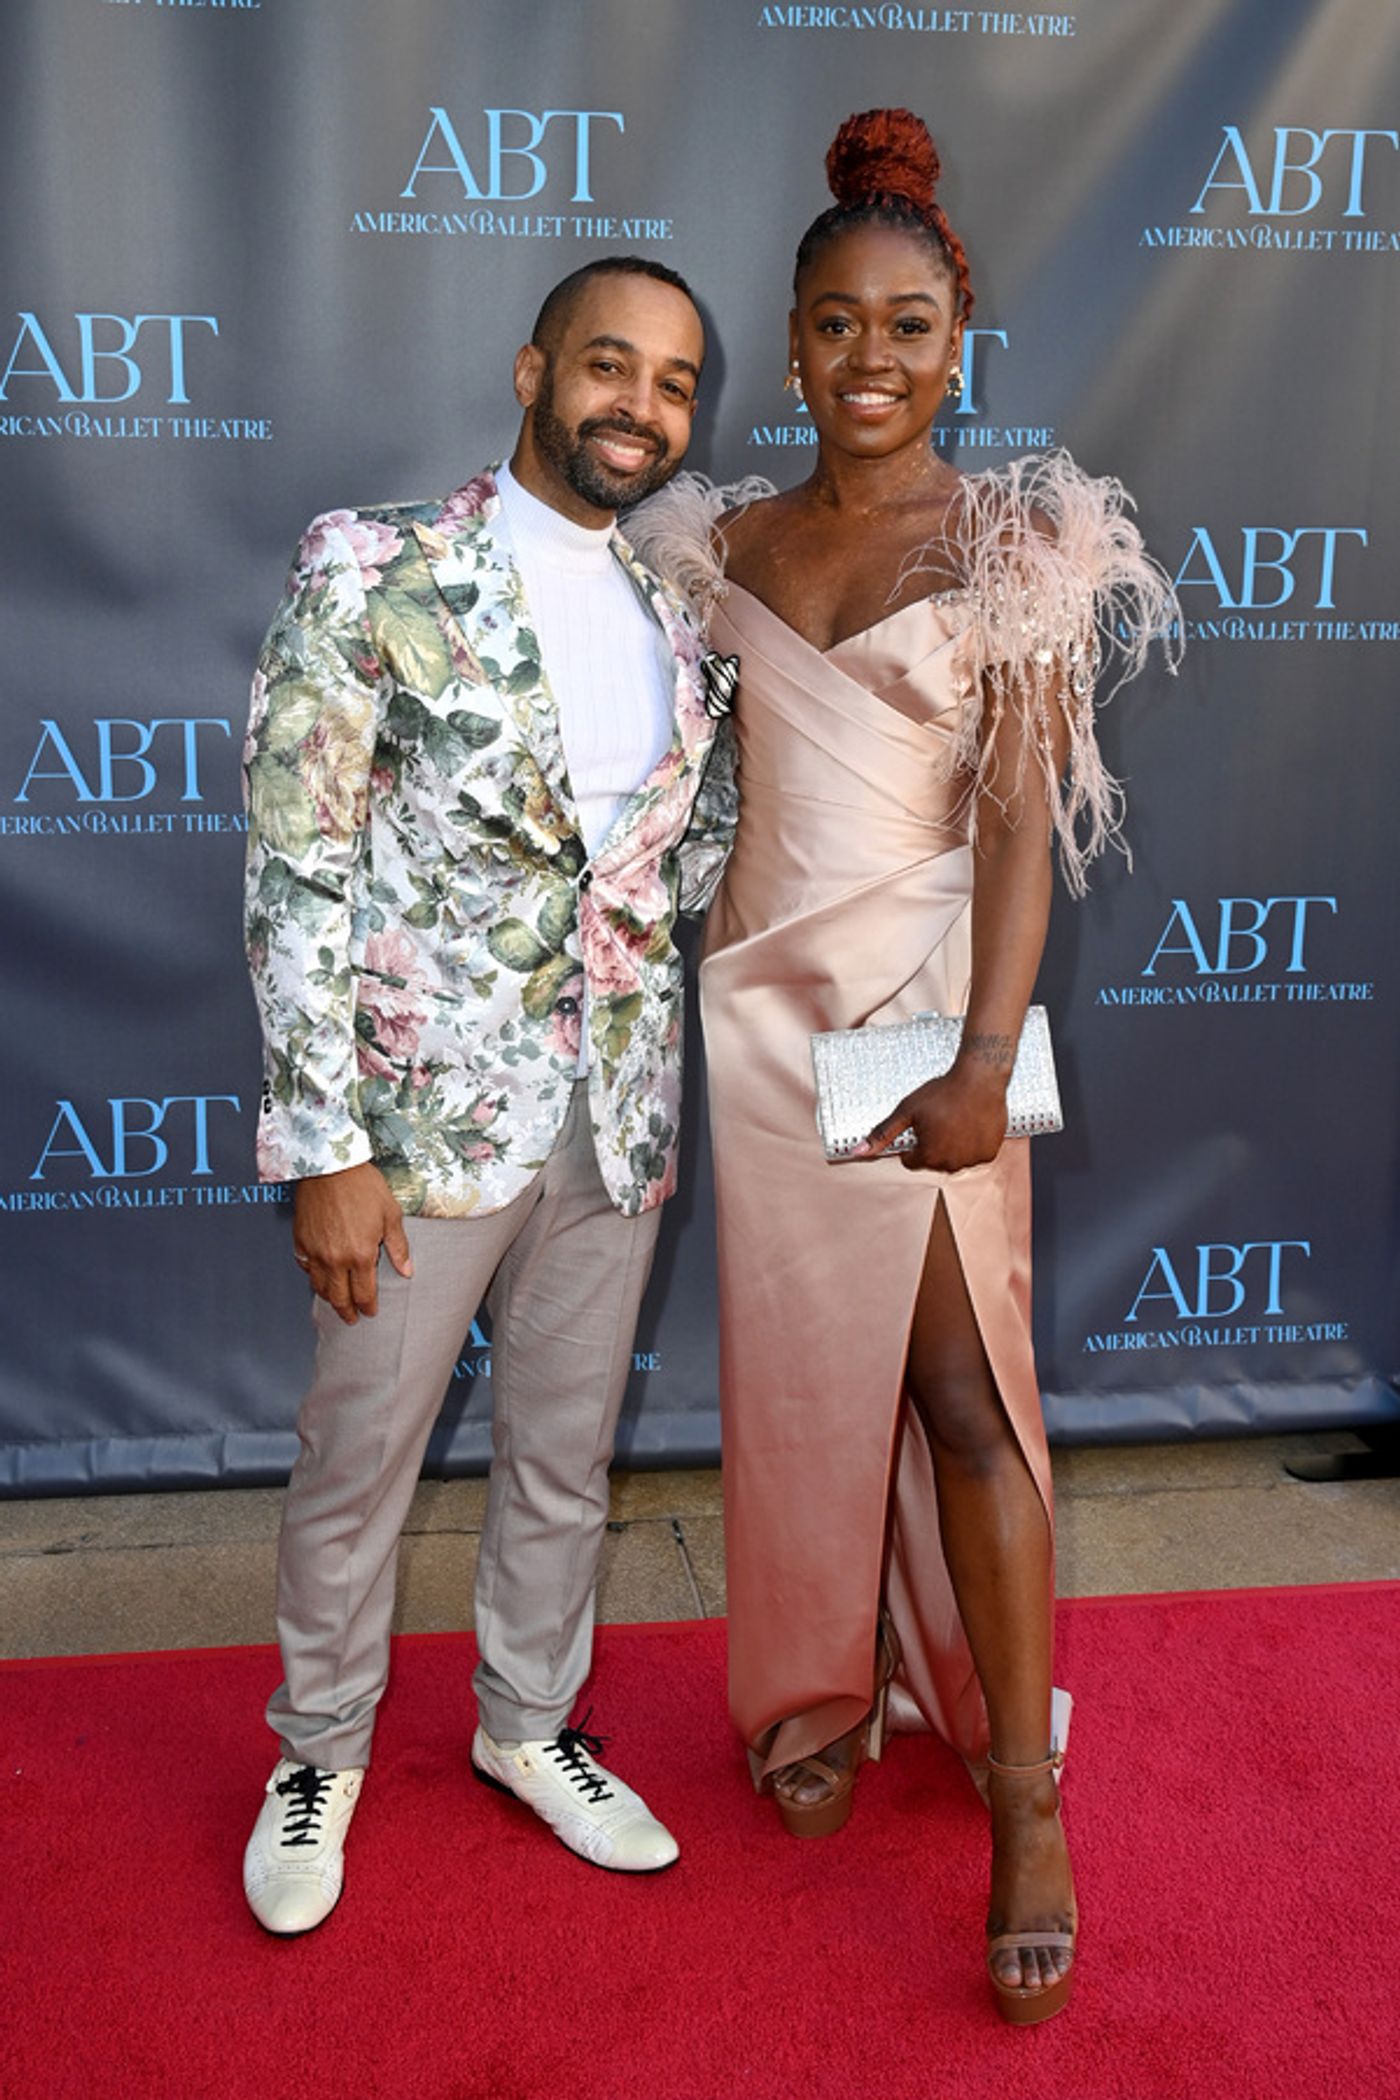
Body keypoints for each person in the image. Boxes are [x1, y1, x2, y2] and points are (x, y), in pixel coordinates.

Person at [631, 111, 1177, 2024]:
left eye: (912, 327)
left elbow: (1018, 825)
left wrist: (982, 1048)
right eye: (839, 327)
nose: (875, 361)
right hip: (767, 1015)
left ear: (962, 341)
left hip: (925, 1021)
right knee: (800, 1380)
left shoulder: (1015, 538)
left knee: (956, 1388)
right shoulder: (725, 549)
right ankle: (813, 1680)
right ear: (791, 345)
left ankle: (1025, 1797)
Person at [240, 255, 730, 1935]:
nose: (639, 408)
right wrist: (324, 1143)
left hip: (614, 1117)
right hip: (414, 1128)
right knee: (358, 1456)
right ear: (531, 373)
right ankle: (317, 1751)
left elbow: (683, 861)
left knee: (562, 1457)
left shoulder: (682, 614)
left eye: (673, 383)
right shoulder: (376, 564)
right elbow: (295, 862)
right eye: (610, 366)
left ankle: (529, 1725)